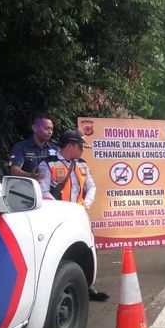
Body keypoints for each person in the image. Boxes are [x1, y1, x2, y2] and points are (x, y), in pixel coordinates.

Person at [37, 129, 109, 301]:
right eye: (80, 147)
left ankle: (87, 286)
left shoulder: (82, 164)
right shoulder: (47, 164)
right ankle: (57, 292)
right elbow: (42, 191)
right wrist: (62, 208)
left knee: (86, 251)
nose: (82, 151)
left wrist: (87, 203)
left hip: (79, 216)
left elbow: (92, 186)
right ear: (70, 145)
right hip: (57, 218)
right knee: (61, 253)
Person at [9, 114, 58, 180]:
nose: (50, 132)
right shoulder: (21, 147)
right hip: (27, 188)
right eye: (46, 128)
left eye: (51, 129)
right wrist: (30, 175)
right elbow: (14, 171)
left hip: (48, 189)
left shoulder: (54, 149)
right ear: (34, 128)